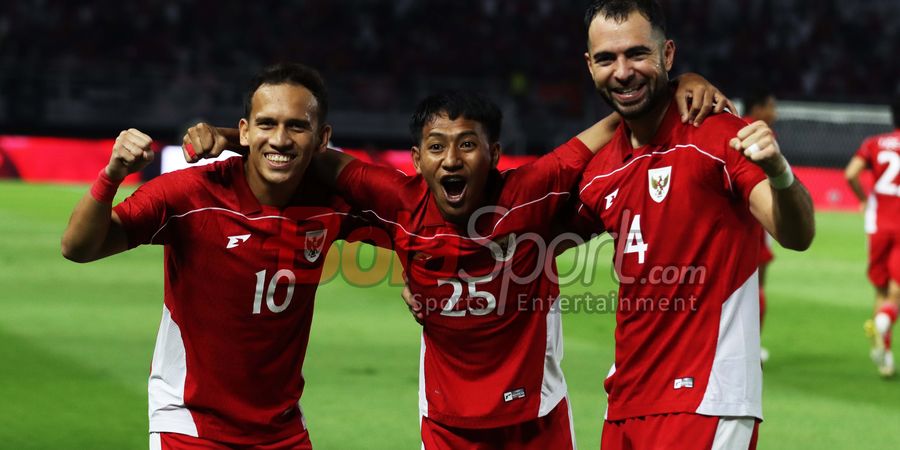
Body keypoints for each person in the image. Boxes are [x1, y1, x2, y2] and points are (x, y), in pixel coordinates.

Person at [186, 77, 731, 449]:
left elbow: (615, 124)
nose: (451, 159)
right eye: (436, 147)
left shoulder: (533, 193)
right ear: (416, 158)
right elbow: (315, 158)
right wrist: (233, 138)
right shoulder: (397, 202)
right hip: (448, 427)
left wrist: (677, 84)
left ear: (494, 153)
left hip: (536, 419)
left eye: (467, 145)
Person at [61, 63, 372, 449]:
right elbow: (78, 247)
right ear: (245, 130)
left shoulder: (330, 204)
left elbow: (409, 222)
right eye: (266, 124)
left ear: (322, 137)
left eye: (296, 126)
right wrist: (112, 174)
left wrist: (415, 272)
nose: (280, 139)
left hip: (281, 429)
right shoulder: (189, 195)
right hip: (190, 423)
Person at [573, 1, 815, 449]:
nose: (622, 71)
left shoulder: (716, 134)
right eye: (607, 59)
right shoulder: (599, 171)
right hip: (624, 402)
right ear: (590, 66)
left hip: (708, 398)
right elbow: (523, 227)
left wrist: (780, 173)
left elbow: (796, 234)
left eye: (637, 54)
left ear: (667, 54)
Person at [844, 94, 900, 378]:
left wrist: (864, 199)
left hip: (877, 224)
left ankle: (884, 355)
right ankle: (882, 324)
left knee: (880, 290)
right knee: (896, 291)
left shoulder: (874, 143)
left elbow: (850, 173)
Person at [742, 87, 779, 363]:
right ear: (758, 108)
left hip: (727, 217)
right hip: (753, 216)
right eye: (771, 106)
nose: (774, 112)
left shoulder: (726, 125)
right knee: (757, 285)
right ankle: (752, 346)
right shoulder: (760, 133)